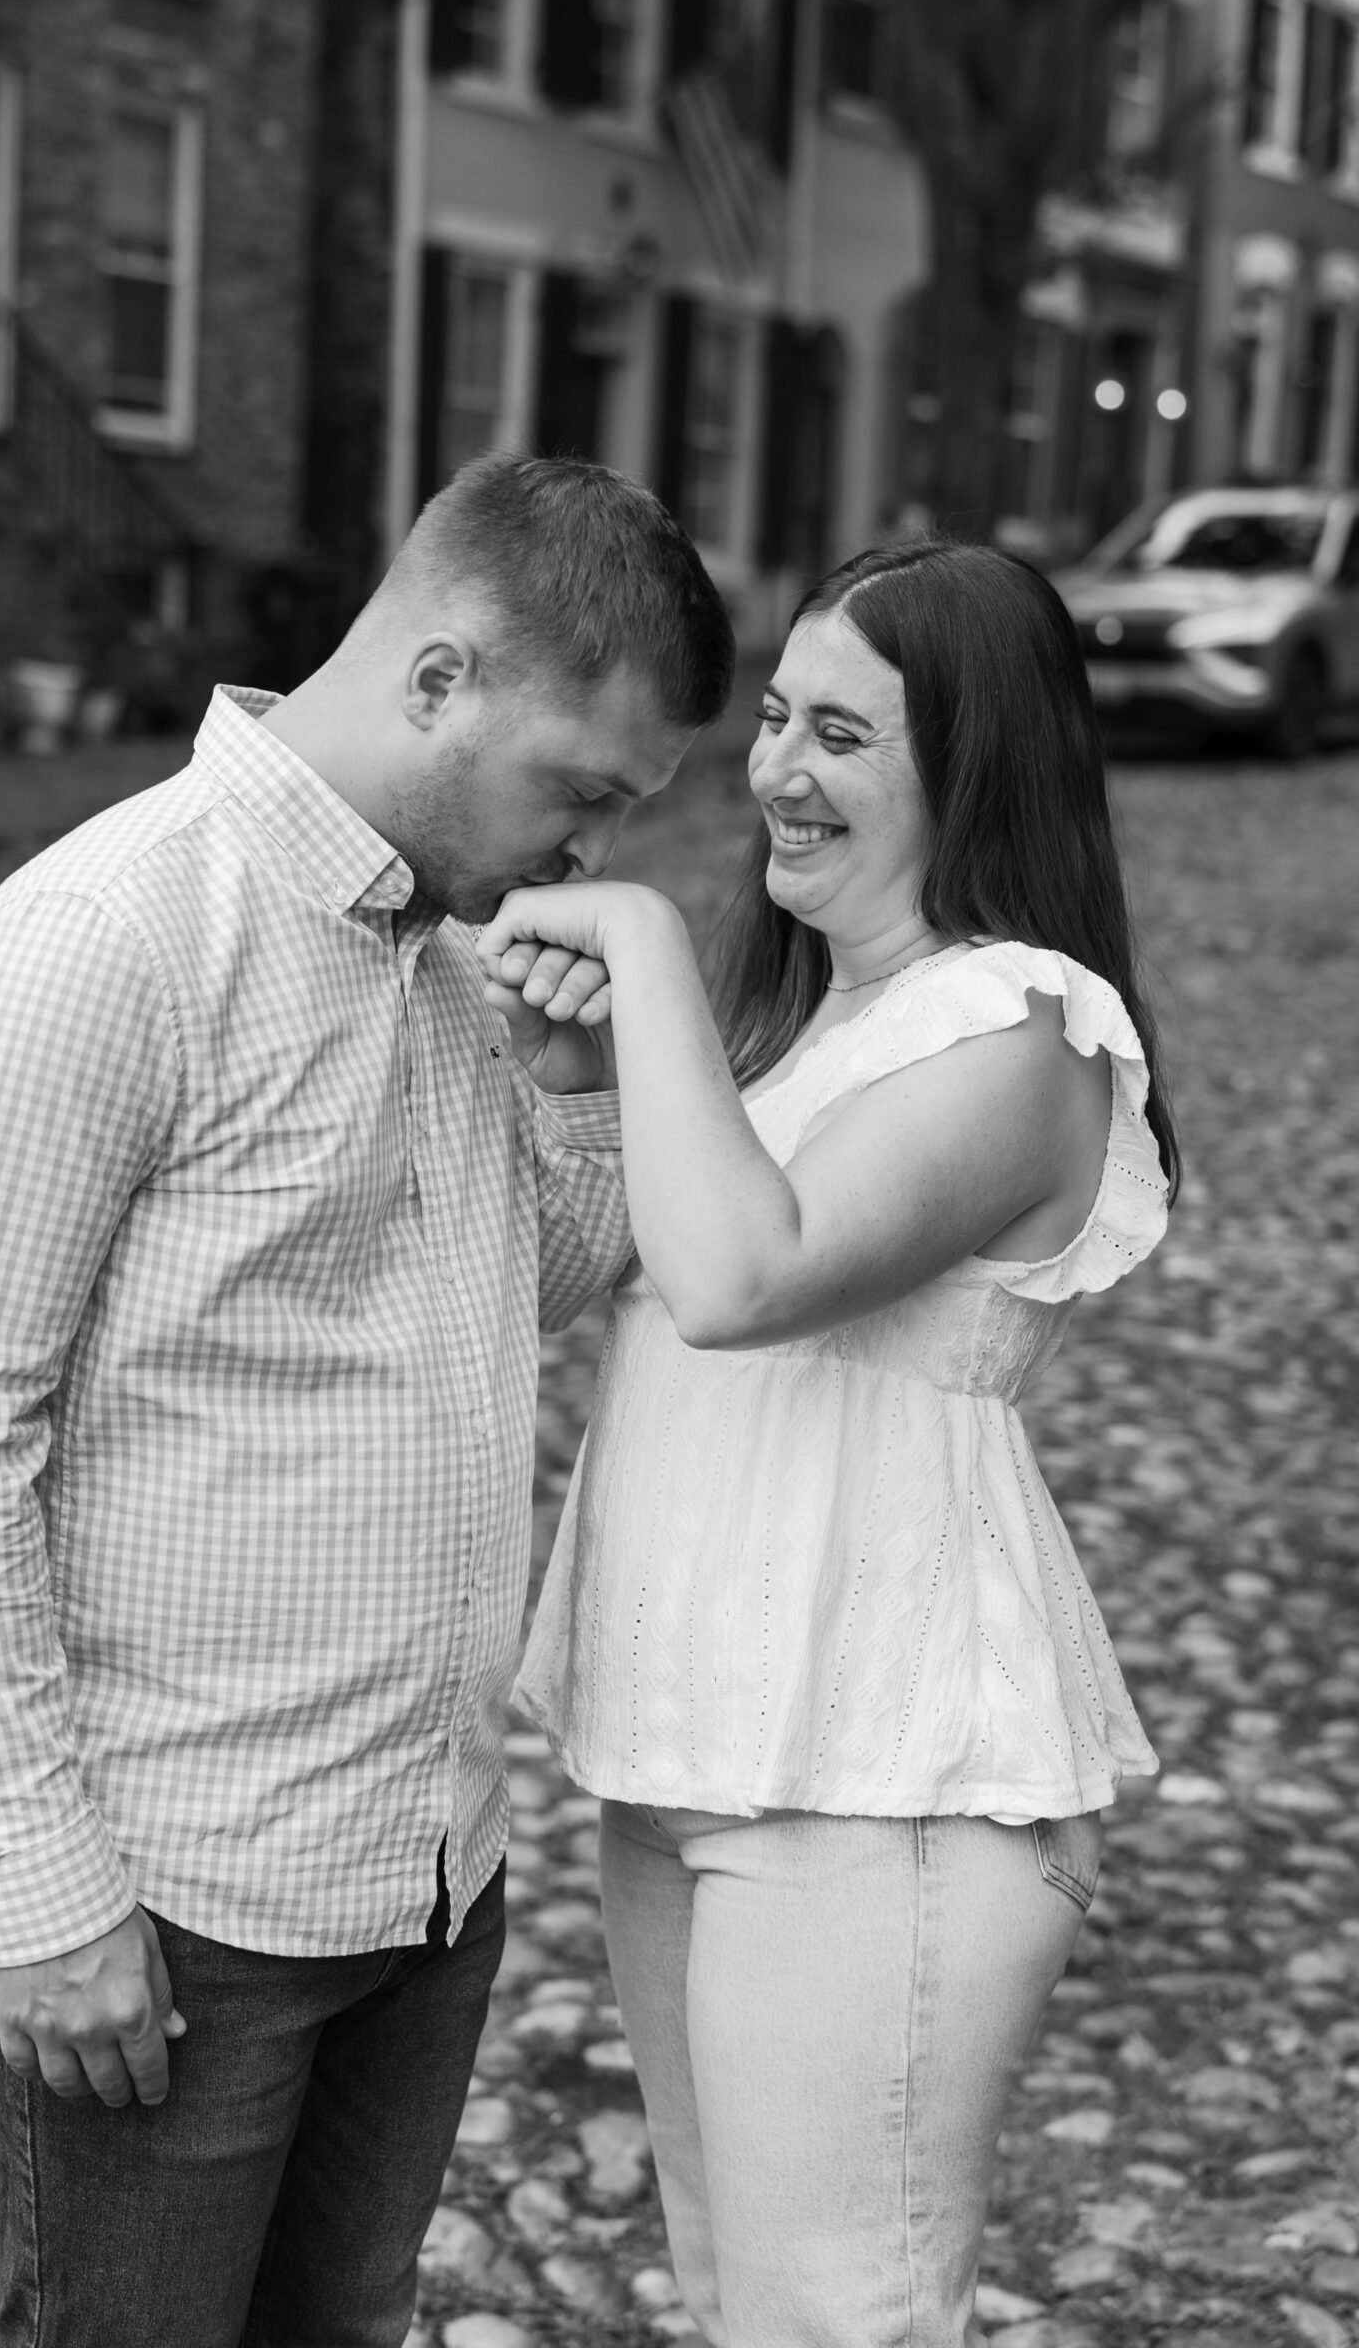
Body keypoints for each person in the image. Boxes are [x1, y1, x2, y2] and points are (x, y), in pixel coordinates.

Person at [0, 452, 733, 2348]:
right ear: (439, 676)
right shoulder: (100, 942)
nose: (587, 853)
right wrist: (39, 1884)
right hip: (176, 1906)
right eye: (578, 790)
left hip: (425, 1876)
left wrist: (581, 1080)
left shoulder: (447, 948)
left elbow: (533, 1269)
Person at [478, 540, 1178, 2348]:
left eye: (846, 734)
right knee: (739, 2303)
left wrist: (637, 947)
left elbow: (740, 1278)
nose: (779, 769)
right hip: (698, 1745)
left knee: (835, 2319)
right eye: (777, 718)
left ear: (978, 763)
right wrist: (588, 1089)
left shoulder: (1022, 1026)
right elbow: (641, 1266)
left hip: (882, 1785)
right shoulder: (813, 1029)